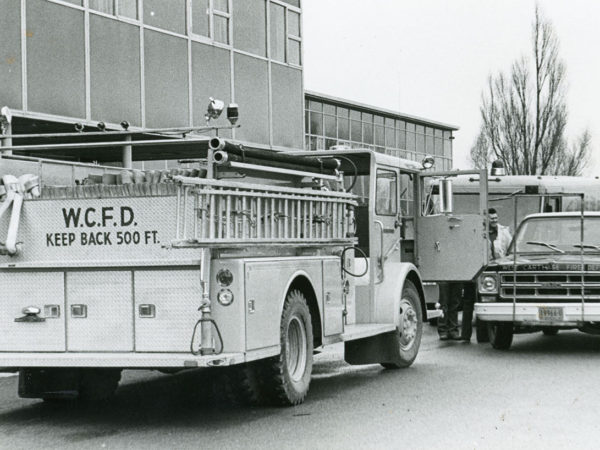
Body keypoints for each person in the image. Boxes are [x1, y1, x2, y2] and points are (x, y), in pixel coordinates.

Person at [461, 208, 513, 342]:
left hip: (493, 273)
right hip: (475, 271)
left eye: (496, 218)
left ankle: (483, 336)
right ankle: (465, 335)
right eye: (492, 219)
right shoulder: (477, 232)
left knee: (486, 302)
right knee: (468, 302)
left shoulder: (504, 232)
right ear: (486, 220)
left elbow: (510, 250)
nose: (495, 221)